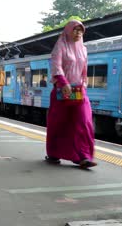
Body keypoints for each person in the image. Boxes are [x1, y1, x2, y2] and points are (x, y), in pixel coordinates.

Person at [45, 20, 97, 169]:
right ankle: (54, 153)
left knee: (84, 122)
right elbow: (56, 65)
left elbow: (84, 70)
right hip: (62, 91)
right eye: (75, 30)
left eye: (81, 31)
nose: (78, 33)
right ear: (68, 31)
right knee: (59, 123)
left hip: (79, 91)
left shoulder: (84, 49)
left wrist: (84, 85)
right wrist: (63, 81)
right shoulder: (60, 46)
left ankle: (83, 156)